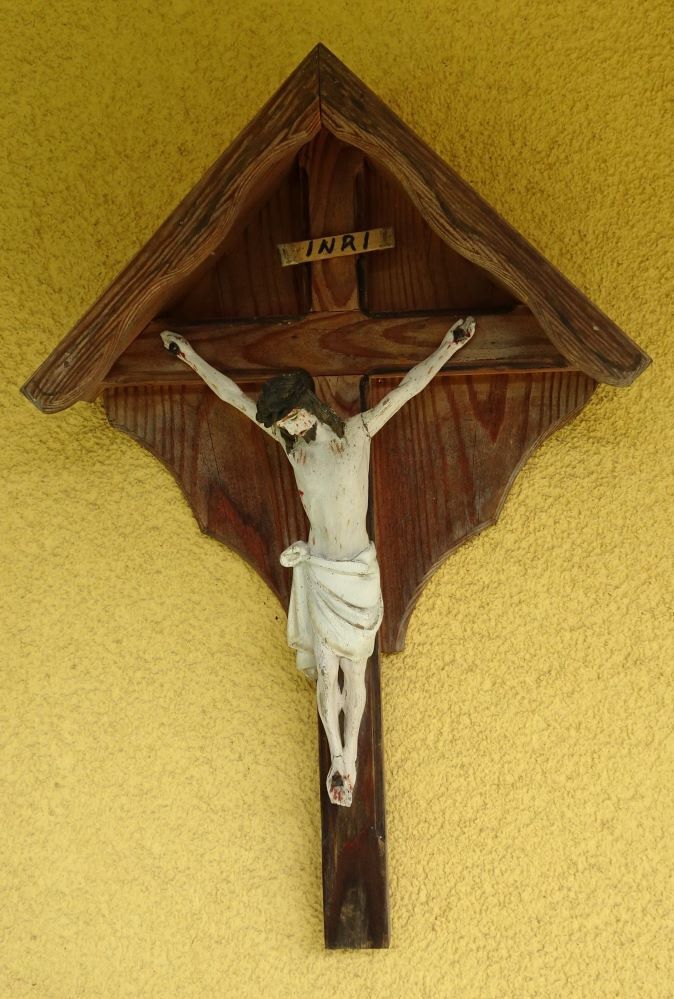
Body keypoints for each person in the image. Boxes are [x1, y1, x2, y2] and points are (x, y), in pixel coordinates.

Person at [161, 317, 475, 806]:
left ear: (308, 408)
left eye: (290, 418)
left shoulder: (358, 433)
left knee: (357, 672)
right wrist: (189, 357)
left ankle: (353, 752)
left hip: (357, 573)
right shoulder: (295, 453)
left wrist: (447, 347)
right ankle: (338, 759)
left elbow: (408, 389)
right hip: (321, 572)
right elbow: (236, 399)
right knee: (328, 675)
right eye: (282, 423)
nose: (287, 428)